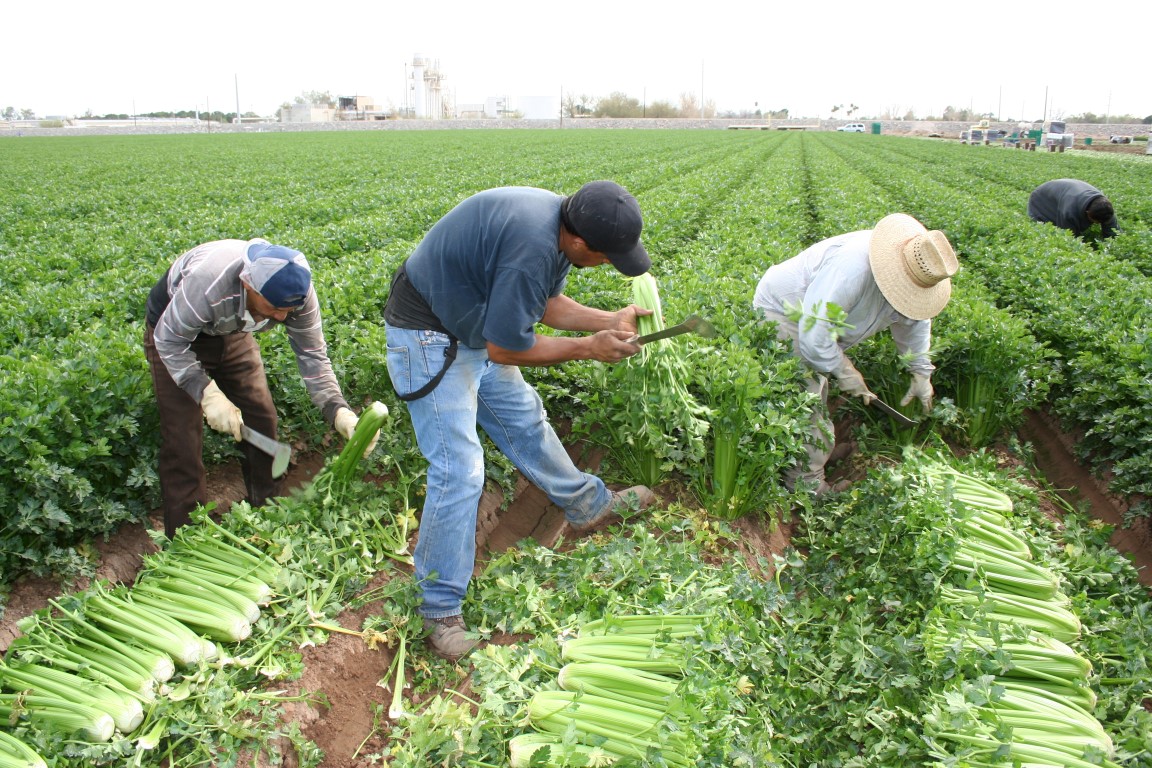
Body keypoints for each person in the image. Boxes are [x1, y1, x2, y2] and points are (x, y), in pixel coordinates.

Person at [383, 181, 657, 661]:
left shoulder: (556, 228)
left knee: (525, 420)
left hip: (473, 324)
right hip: (429, 336)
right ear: (578, 241)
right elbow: (507, 347)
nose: (612, 263)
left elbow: (544, 305)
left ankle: (588, 505)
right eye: (608, 255)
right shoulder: (532, 245)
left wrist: (607, 321)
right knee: (460, 470)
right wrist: (588, 349)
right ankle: (438, 607)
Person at [144, 238, 377, 539]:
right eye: (275, 308)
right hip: (174, 334)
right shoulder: (208, 284)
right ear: (248, 285)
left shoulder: (297, 295)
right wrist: (206, 393)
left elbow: (313, 356)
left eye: (288, 309)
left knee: (261, 417)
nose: (281, 317)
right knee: (183, 441)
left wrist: (338, 409)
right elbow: (169, 340)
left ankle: (265, 516)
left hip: (233, 330)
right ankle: (187, 540)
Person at [752, 213, 959, 495]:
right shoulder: (852, 269)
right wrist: (847, 372)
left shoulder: (915, 278)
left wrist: (921, 372)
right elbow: (815, 335)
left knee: (816, 385)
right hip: (786, 311)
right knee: (806, 396)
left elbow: (915, 324)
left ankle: (816, 453)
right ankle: (806, 486)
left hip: (820, 324)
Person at [1027, 179, 1118, 239]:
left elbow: (1113, 231)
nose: (1095, 224)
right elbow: (1068, 237)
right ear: (1087, 212)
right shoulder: (1069, 211)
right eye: (1094, 221)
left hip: (1066, 192)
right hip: (1042, 197)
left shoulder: (1105, 208)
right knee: (1047, 229)